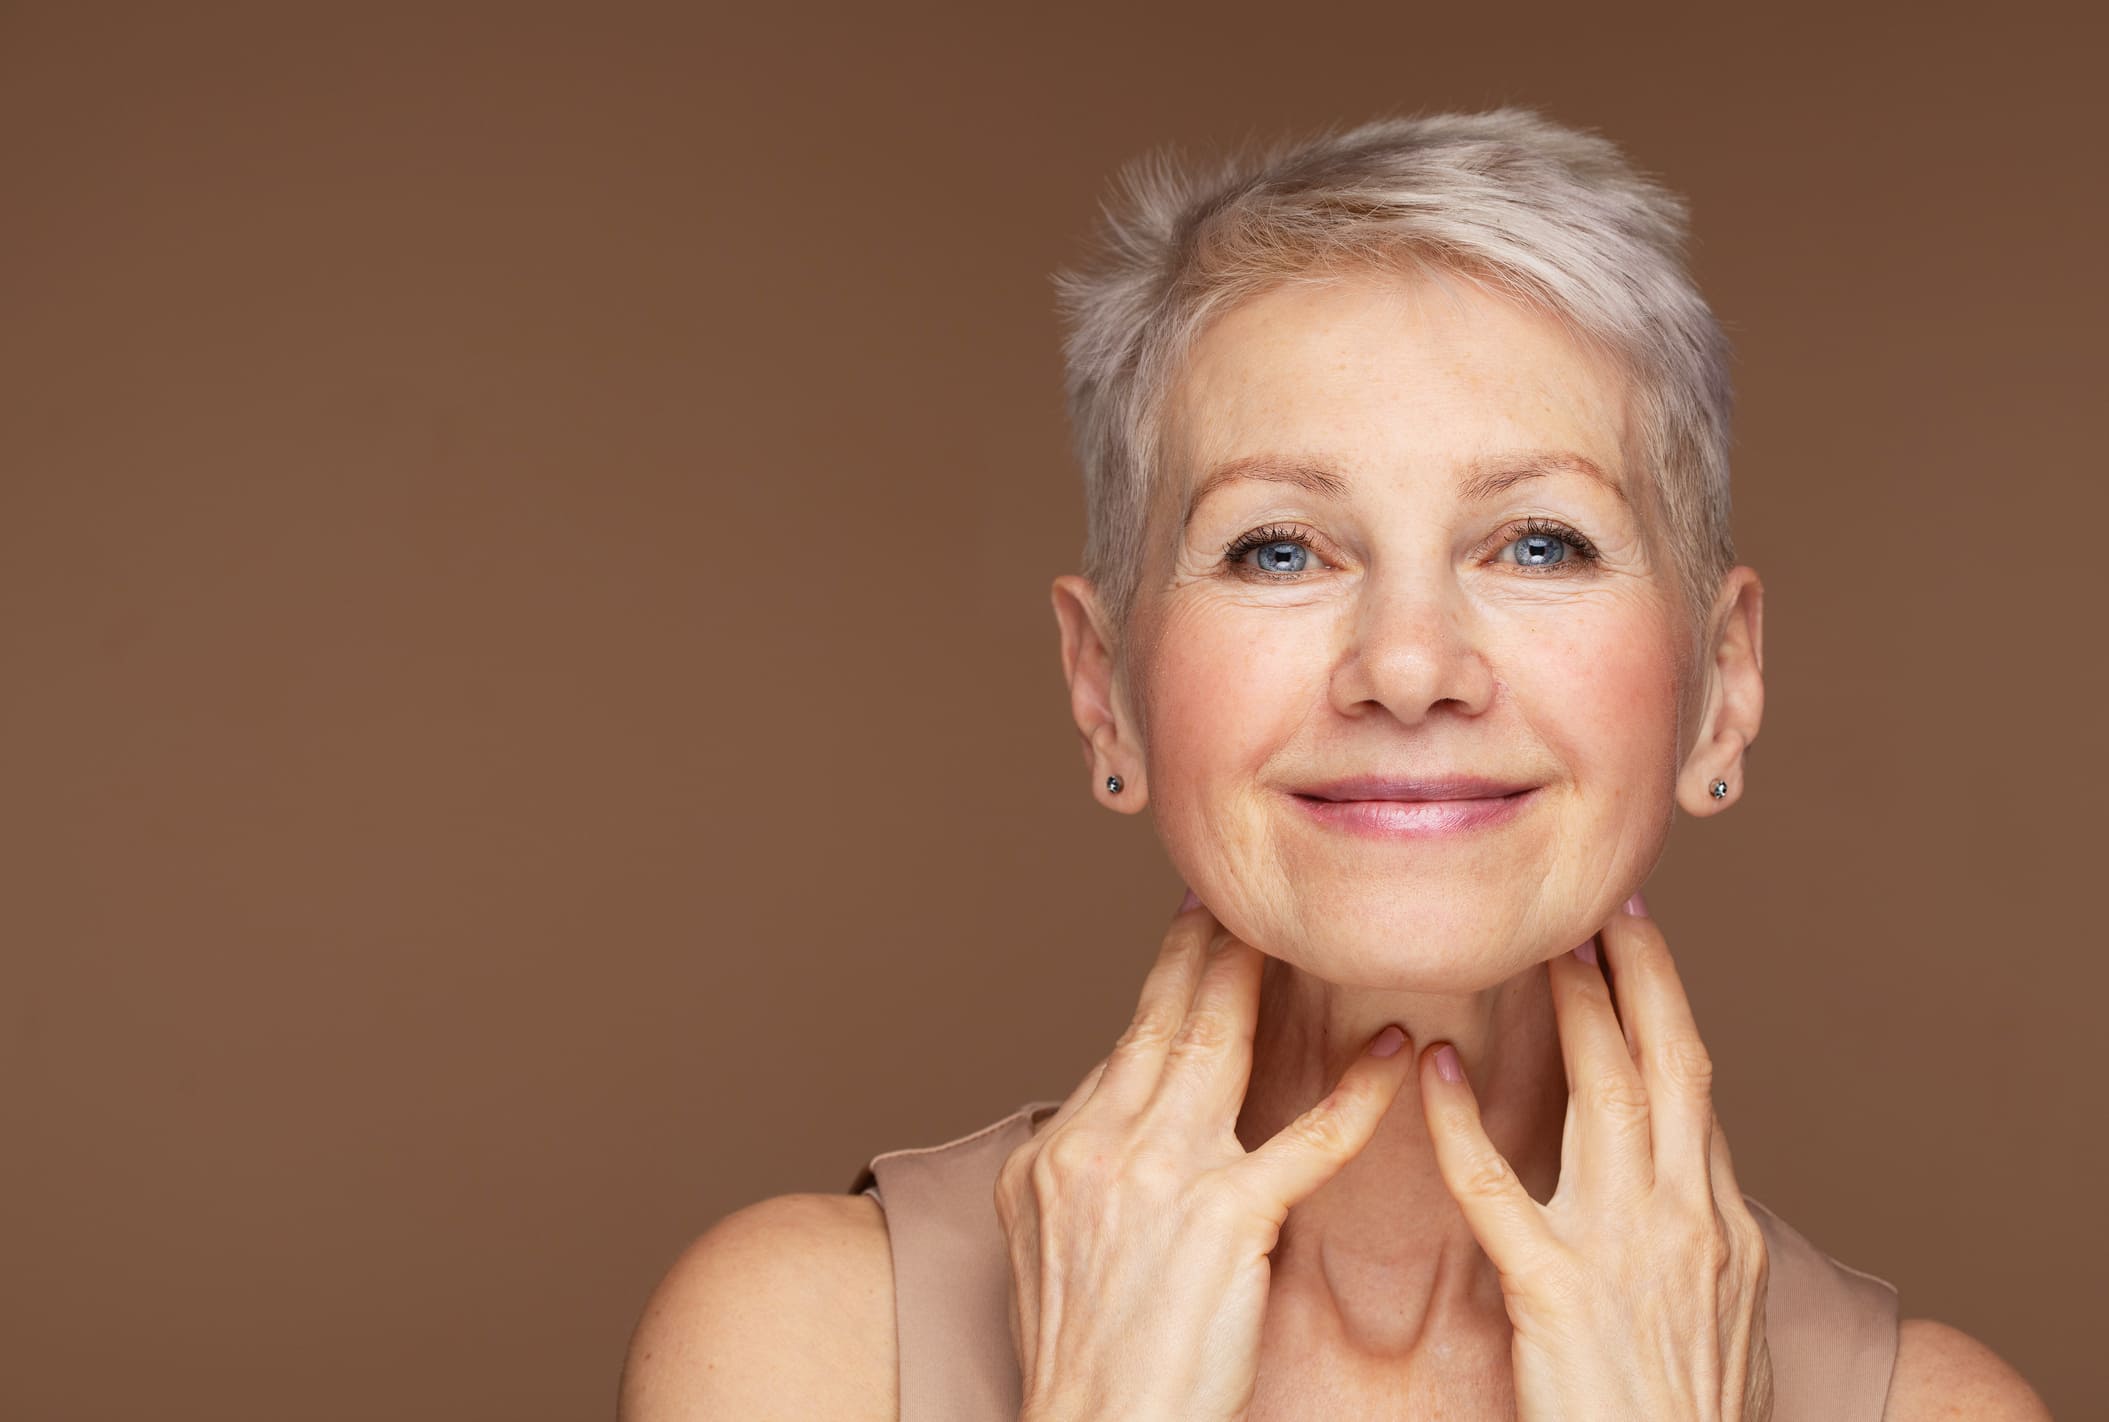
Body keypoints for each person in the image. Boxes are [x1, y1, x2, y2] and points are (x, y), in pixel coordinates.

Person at [616, 109, 2049, 1421]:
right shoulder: (800, 1343)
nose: (1408, 665)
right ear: (1103, 689)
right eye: (1279, 547)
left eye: (1538, 541)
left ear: (1722, 685)